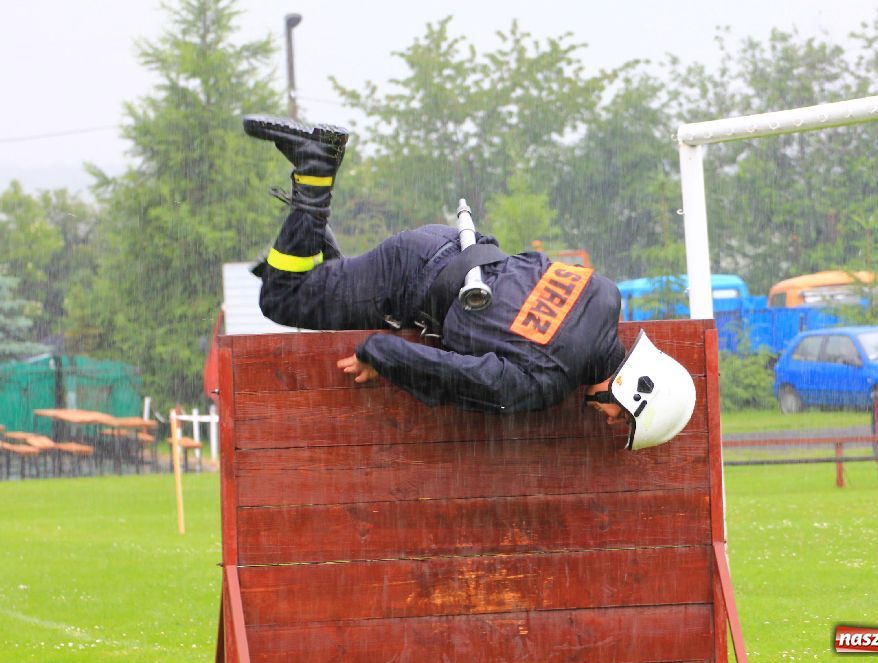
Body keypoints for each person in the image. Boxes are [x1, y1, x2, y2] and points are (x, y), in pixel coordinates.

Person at [243, 115, 696, 449]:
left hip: (452, 244)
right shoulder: (544, 383)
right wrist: (378, 354)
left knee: (325, 295)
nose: (613, 424)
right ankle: (315, 171)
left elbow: (526, 263)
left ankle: (314, 227)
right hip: (409, 282)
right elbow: (449, 376)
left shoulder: (602, 293)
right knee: (283, 297)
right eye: (624, 419)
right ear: (631, 388)